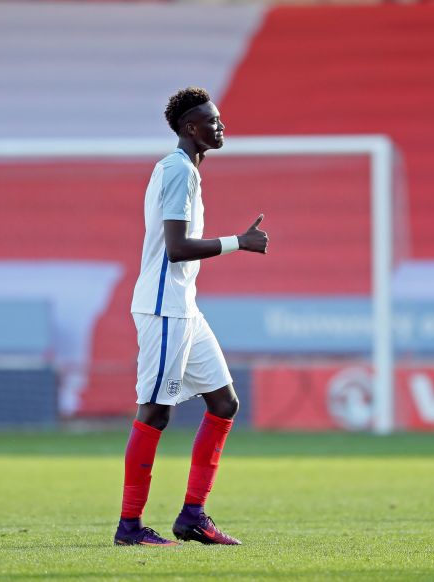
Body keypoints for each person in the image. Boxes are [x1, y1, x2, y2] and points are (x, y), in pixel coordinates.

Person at [114, 87, 269, 546]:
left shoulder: (182, 171)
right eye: (212, 121)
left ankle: (193, 516)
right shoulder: (179, 171)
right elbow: (178, 249)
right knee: (156, 412)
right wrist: (239, 242)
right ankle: (129, 527)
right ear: (189, 128)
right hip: (164, 307)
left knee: (224, 403)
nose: (221, 127)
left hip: (183, 307)